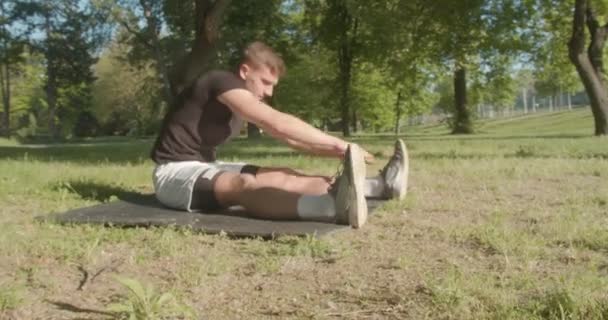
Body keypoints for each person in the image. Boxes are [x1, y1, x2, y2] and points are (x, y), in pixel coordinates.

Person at [150, 41, 408, 228]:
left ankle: (380, 185)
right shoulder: (220, 81)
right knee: (244, 186)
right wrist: (341, 142)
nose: (270, 92)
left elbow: (292, 139)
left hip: (205, 167)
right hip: (174, 174)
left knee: (282, 174)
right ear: (244, 72)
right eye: (265, 82)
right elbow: (276, 123)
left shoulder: (240, 99)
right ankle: (333, 208)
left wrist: (340, 152)